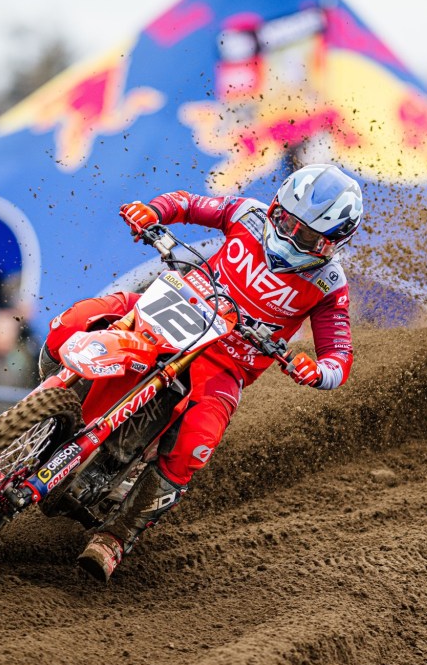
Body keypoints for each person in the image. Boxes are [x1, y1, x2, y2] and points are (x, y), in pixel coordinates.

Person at [42, 163, 363, 582]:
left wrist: (316, 371)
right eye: (285, 221)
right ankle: (41, 417)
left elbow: (340, 354)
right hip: (171, 306)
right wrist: (153, 211)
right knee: (69, 325)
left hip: (226, 363)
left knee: (196, 444)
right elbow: (189, 204)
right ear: (275, 206)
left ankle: (117, 537)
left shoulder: (328, 285)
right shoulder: (247, 213)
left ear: (330, 244)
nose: (288, 236)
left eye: (304, 236)